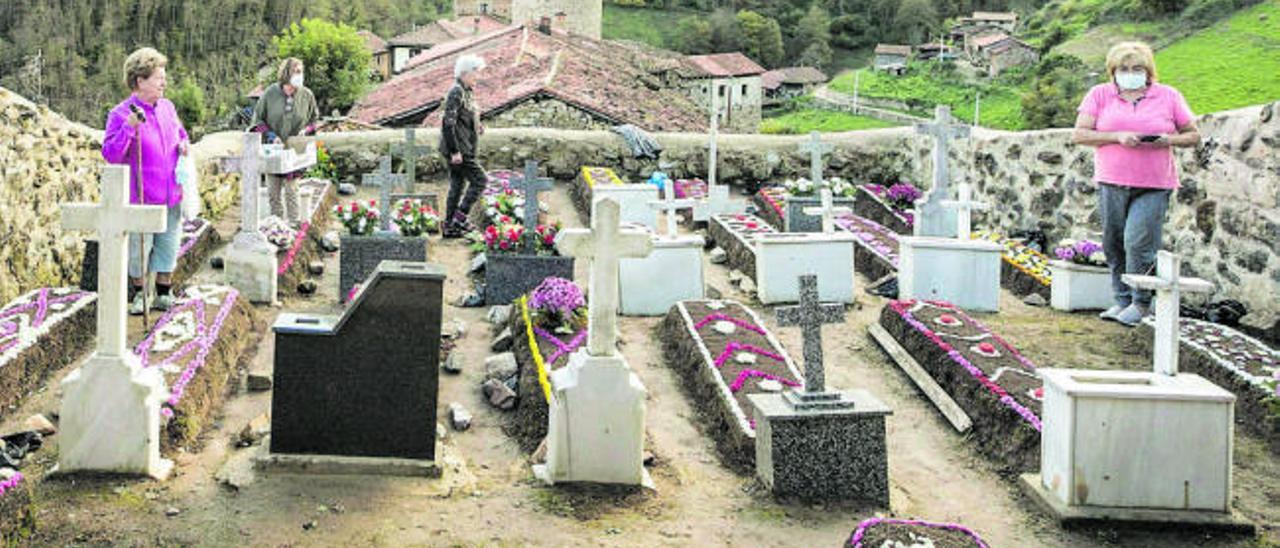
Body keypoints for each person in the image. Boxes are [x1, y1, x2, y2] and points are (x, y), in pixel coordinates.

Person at [1073, 41, 1201, 327]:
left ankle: (1141, 304)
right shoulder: (1099, 95)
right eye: (1124, 69)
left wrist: (1166, 140)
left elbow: (1192, 135)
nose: (1130, 73)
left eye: (1137, 68)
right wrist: (1117, 136)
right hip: (1111, 181)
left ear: (1148, 70)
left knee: (1138, 242)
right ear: (1113, 71)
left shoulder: (1168, 96)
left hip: (1154, 184)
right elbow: (1080, 134)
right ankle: (1121, 300)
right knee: (1114, 243)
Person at [102, 47, 190, 314]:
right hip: (141, 195)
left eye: (163, 77)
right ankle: (140, 293)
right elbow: (111, 155)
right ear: (140, 81)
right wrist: (129, 127)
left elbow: (181, 133)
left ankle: (164, 291)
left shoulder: (167, 107)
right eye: (158, 78)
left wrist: (184, 144)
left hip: (171, 191)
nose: (164, 82)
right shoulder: (120, 113)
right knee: (140, 249)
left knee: (169, 241)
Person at [250, 57, 319, 225]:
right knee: (273, 192)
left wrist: (306, 131)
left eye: (301, 72)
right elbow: (257, 121)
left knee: (291, 190)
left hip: (295, 151)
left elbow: (314, 120)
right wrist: (271, 137)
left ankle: (294, 227)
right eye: (297, 71)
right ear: (287, 73)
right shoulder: (270, 93)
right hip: (272, 150)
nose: (300, 75)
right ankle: (277, 226)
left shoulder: (306, 95)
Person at [440, 54, 488, 238]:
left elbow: (464, 117)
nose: (478, 76)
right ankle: (459, 219)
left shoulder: (466, 91)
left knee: (457, 186)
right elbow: (448, 123)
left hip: (464, 147)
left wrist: (477, 125)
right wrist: (454, 151)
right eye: (476, 73)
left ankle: (450, 225)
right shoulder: (456, 91)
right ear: (465, 73)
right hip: (459, 150)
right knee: (480, 181)